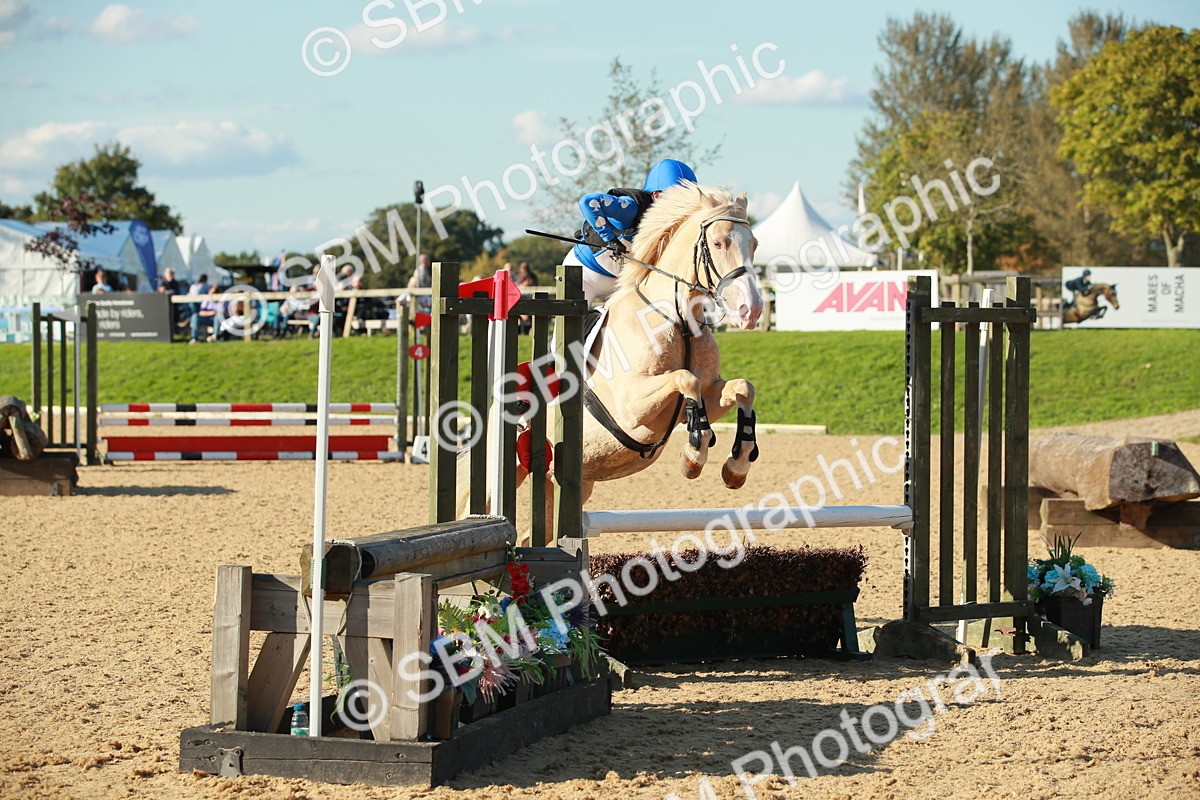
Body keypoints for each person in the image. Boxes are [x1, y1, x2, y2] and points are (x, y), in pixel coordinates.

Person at [562, 158, 697, 304]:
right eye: (680, 197)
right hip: (585, 275)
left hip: (623, 284)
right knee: (569, 325)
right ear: (657, 196)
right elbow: (588, 202)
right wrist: (610, 240)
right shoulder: (631, 208)